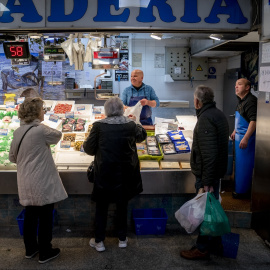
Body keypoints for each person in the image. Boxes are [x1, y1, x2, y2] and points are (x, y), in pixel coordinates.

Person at [83, 97, 146, 252]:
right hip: (125, 173)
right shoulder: (130, 125)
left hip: (104, 173)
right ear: (122, 110)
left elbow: (88, 149)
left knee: (101, 206)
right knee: (122, 204)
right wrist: (136, 121)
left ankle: (99, 242)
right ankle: (122, 239)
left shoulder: (98, 126)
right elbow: (142, 136)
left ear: (106, 111)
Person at [9, 97, 68, 264]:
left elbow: (12, 157)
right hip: (41, 181)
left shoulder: (18, 132)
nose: (44, 112)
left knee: (30, 215)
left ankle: (30, 249)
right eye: (42, 109)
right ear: (35, 113)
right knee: (45, 216)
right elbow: (57, 135)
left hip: (25, 181)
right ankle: (45, 251)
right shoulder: (40, 130)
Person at [180, 85, 229, 260]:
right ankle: (216, 245)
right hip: (216, 172)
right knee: (211, 210)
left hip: (208, 175)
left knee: (204, 212)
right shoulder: (218, 114)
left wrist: (206, 181)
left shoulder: (206, 119)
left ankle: (202, 248)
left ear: (197, 101)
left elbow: (209, 154)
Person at [230, 78, 257, 199]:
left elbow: (253, 121)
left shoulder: (251, 101)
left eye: (239, 85)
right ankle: (239, 188)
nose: (236, 87)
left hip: (247, 140)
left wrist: (246, 138)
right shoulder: (241, 100)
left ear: (247, 87)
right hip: (239, 138)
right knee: (239, 166)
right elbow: (242, 117)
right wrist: (235, 130)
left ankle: (243, 192)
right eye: (236, 85)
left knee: (245, 166)